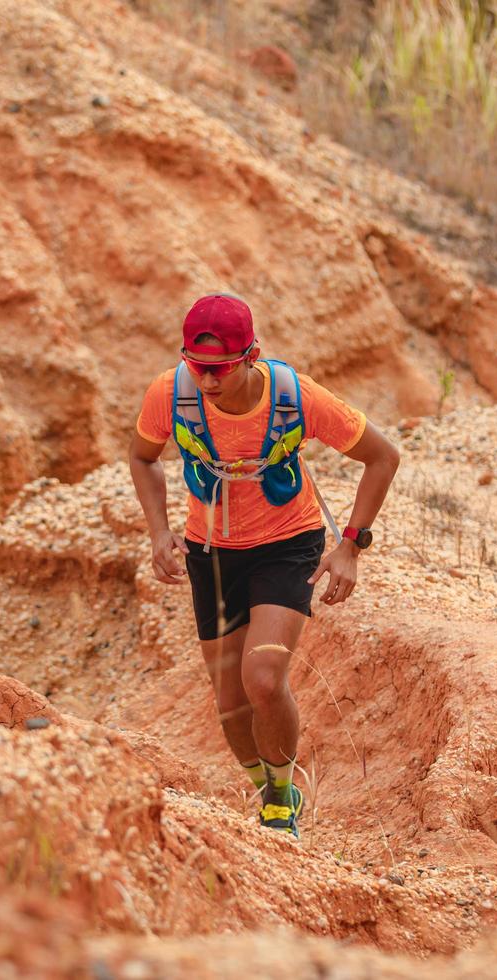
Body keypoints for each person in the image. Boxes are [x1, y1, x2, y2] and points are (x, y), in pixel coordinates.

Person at [127, 293, 400, 840]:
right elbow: (141, 456)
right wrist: (158, 530)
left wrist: (349, 545)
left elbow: (383, 455)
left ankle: (280, 797)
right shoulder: (170, 393)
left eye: (220, 369)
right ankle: (268, 785)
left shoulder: (294, 396)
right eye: (196, 367)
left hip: (287, 542)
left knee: (264, 679)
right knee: (229, 704)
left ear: (252, 355)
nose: (206, 381)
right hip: (210, 552)